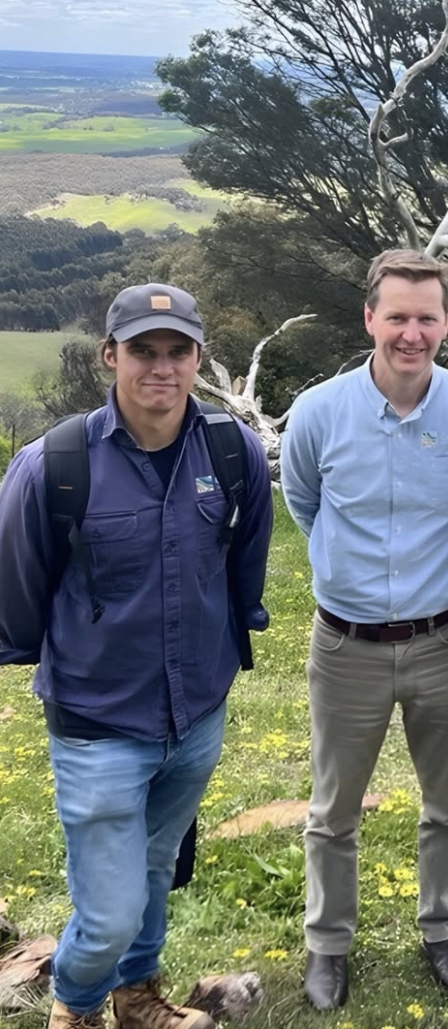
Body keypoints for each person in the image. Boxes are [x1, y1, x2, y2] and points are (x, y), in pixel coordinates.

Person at [0, 283, 273, 1029]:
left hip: (197, 714)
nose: (162, 366)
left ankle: (137, 998)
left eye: (177, 350)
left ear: (198, 358)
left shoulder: (232, 451)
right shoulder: (54, 464)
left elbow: (245, 560)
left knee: (155, 864)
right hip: (99, 720)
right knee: (110, 911)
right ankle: (75, 1008)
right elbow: (17, 584)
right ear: (109, 356)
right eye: (143, 350)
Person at [279, 249, 448, 1011]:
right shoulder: (318, 413)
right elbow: (306, 504)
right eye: (398, 317)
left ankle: (443, 928)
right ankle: (327, 945)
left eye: (427, 318)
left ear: (446, 322)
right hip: (344, 646)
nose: (412, 334)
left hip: (446, 640)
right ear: (369, 318)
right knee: (332, 811)